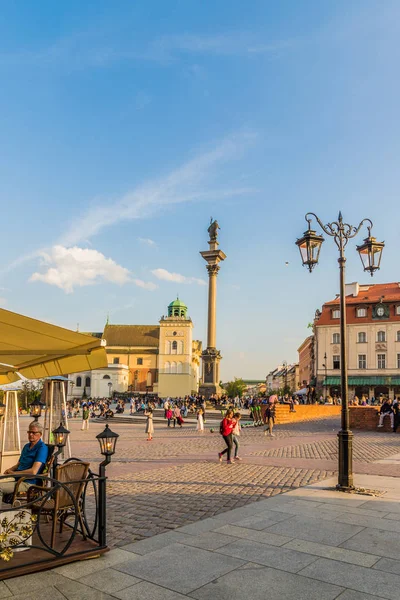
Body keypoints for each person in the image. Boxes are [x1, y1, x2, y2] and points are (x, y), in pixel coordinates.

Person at [0, 422, 48, 503]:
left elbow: (33, 471)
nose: (31, 434)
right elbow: (18, 464)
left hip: (28, 482)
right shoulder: (26, 446)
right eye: (29, 432)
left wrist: (14, 473)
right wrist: (9, 470)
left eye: (34, 432)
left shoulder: (42, 448)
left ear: (40, 434)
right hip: (18, 479)